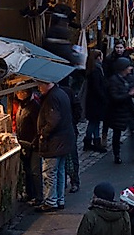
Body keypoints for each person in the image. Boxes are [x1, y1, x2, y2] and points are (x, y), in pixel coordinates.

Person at [37, 80, 76, 212]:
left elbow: (53, 120)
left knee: (50, 172)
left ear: (46, 84)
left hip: (54, 142)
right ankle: (59, 199)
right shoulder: (61, 93)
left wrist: (43, 133)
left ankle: (51, 201)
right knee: (59, 171)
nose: (38, 88)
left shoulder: (52, 98)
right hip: (64, 140)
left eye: (40, 85)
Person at [106, 56, 134, 164]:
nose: (130, 68)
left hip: (128, 110)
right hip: (118, 111)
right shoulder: (113, 80)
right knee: (117, 134)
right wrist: (128, 94)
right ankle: (117, 155)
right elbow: (114, 97)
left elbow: (132, 86)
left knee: (132, 130)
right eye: (128, 66)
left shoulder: (129, 78)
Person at [13, 89, 43, 206]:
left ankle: (38, 196)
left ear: (26, 93)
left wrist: (34, 143)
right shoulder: (21, 106)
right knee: (27, 170)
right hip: (23, 143)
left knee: (35, 171)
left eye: (21, 92)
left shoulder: (33, 107)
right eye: (17, 92)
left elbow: (38, 127)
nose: (18, 94)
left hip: (33, 144)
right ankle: (30, 194)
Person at [84, 49, 109, 153]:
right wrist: (104, 97)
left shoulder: (93, 69)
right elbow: (97, 87)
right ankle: (90, 142)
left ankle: (94, 141)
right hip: (95, 102)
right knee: (94, 122)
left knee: (95, 122)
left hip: (94, 101)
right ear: (98, 57)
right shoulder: (96, 70)